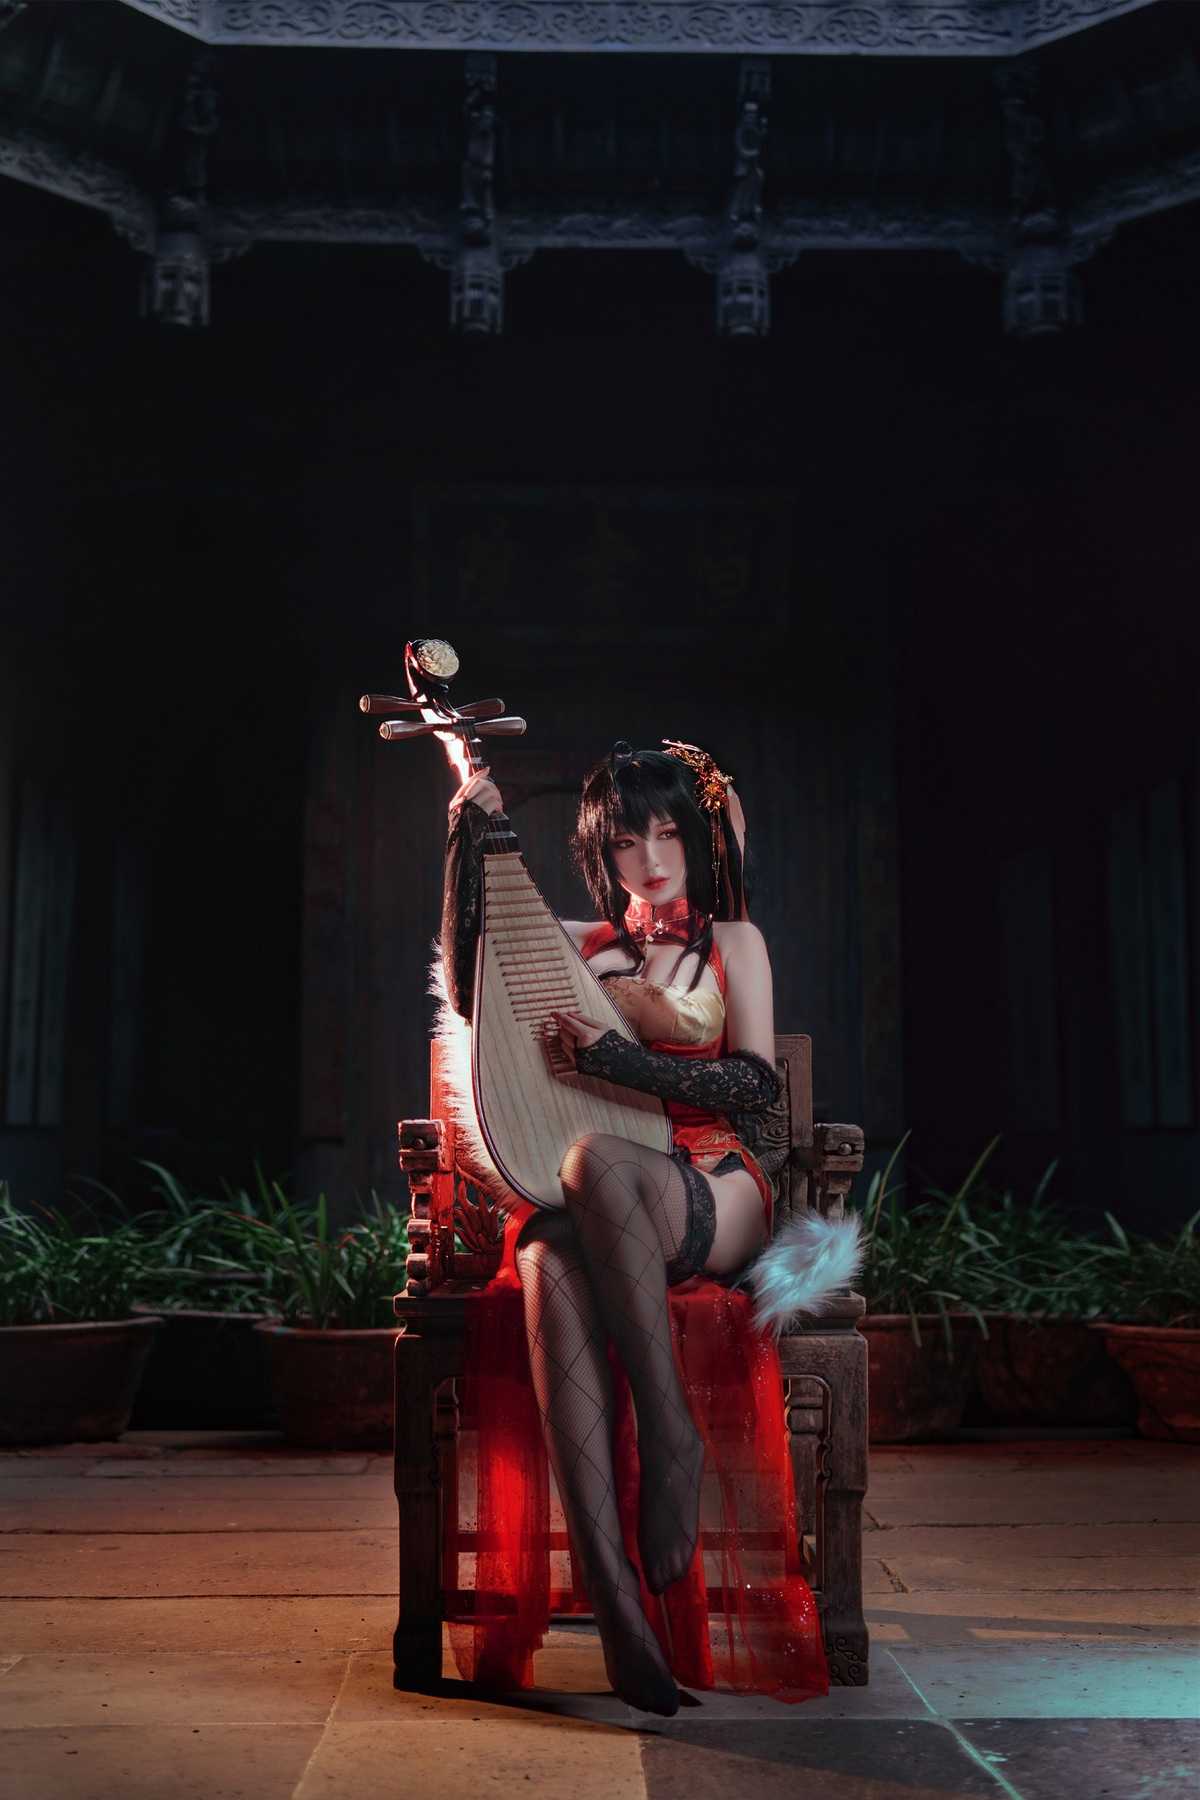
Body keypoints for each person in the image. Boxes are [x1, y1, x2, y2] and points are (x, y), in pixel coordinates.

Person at [440, 740, 854, 1716]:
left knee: (589, 1164)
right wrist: (464, 842)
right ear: (603, 853)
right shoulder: (583, 947)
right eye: (628, 842)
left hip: (716, 1181)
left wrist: (618, 1063)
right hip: (604, 1194)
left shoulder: (734, 943)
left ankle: (671, 1436)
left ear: (699, 841)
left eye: (669, 834)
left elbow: (754, 1084)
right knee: (545, 1254)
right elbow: (467, 988)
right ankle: (620, 1608)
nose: (653, 859)